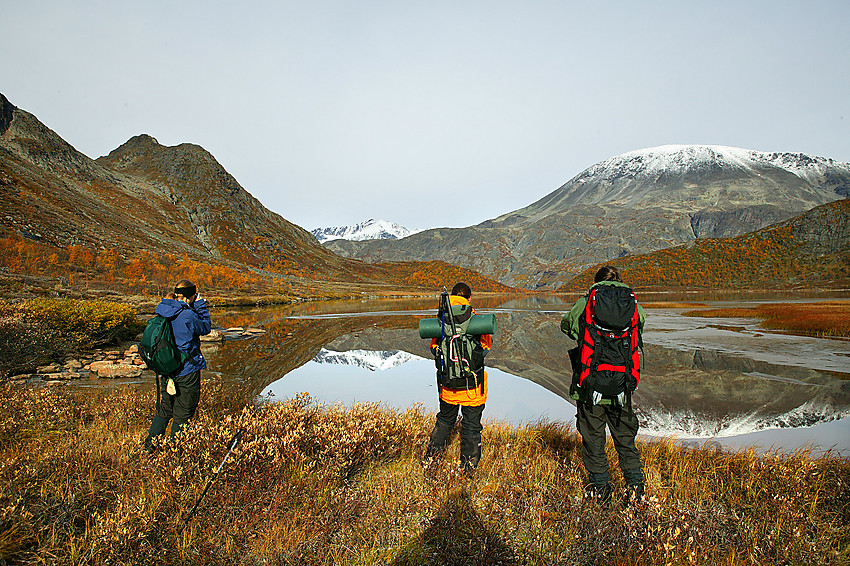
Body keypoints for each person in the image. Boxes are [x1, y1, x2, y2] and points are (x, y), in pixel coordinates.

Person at [561, 265, 646, 504]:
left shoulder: (585, 304)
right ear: (619, 281)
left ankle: (601, 492)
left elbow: (566, 326)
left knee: (593, 439)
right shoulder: (633, 304)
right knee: (625, 439)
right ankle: (636, 490)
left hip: (590, 385)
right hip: (622, 384)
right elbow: (640, 329)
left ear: (596, 283)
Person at [423, 282, 493, 475]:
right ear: (469, 299)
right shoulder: (475, 319)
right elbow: (486, 347)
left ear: (452, 296)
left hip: (447, 387)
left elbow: (433, 348)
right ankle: (468, 470)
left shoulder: (442, 319)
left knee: (445, 421)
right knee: (471, 427)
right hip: (472, 387)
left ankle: (431, 462)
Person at [144, 280, 211, 452]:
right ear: (192, 296)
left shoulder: (164, 309)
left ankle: (149, 448)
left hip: (167, 369)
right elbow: (205, 328)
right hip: (186, 370)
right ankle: (176, 456)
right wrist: (201, 305)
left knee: (164, 410)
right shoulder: (187, 315)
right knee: (183, 414)